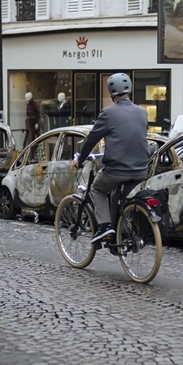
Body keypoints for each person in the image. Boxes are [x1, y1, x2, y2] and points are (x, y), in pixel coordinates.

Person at [73, 73, 152, 243]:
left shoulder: (108, 113)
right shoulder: (142, 112)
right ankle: (119, 235)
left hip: (117, 170)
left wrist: (80, 159)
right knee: (116, 196)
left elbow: (92, 139)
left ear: (111, 93)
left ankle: (105, 227)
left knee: (97, 189)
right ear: (129, 91)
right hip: (141, 170)